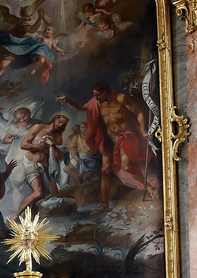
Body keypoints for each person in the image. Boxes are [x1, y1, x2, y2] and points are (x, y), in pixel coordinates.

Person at [57, 82, 159, 212]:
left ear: (106, 91)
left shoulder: (121, 98)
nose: (97, 98)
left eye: (99, 95)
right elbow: (81, 107)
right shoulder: (96, 103)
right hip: (110, 138)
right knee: (105, 170)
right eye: (95, 95)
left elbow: (138, 112)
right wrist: (68, 100)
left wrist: (144, 130)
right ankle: (104, 205)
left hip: (127, 135)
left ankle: (148, 187)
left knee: (126, 165)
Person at [13, 113, 70, 217]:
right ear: (55, 118)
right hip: (31, 164)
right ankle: (16, 215)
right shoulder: (38, 127)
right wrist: (40, 146)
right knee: (38, 193)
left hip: (45, 167)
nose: (61, 125)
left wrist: (52, 144)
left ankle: (31, 215)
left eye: (64, 124)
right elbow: (23, 145)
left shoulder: (57, 138)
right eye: (60, 122)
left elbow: (60, 157)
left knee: (54, 196)